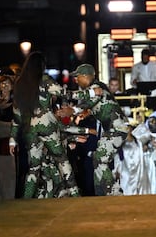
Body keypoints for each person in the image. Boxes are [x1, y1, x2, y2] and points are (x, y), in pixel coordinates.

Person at [9, 51, 79, 198]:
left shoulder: (20, 83)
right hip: (47, 126)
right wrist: (89, 94)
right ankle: (74, 193)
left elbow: (16, 116)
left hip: (29, 129)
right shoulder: (45, 79)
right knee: (62, 160)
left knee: (33, 168)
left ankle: (26, 199)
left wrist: (13, 140)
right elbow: (63, 93)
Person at [70, 63, 129, 196]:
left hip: (117, 129)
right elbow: (98, 105)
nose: (76, 80)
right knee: (97, 159)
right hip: (114, 129)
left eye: (77, 76)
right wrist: (88, 112)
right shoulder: (98, 86)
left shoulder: (96, 88)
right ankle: (102, 193)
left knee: (100, 158)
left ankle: (114, 192)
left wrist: (73, 109)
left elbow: (89, 100)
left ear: (85, 77)